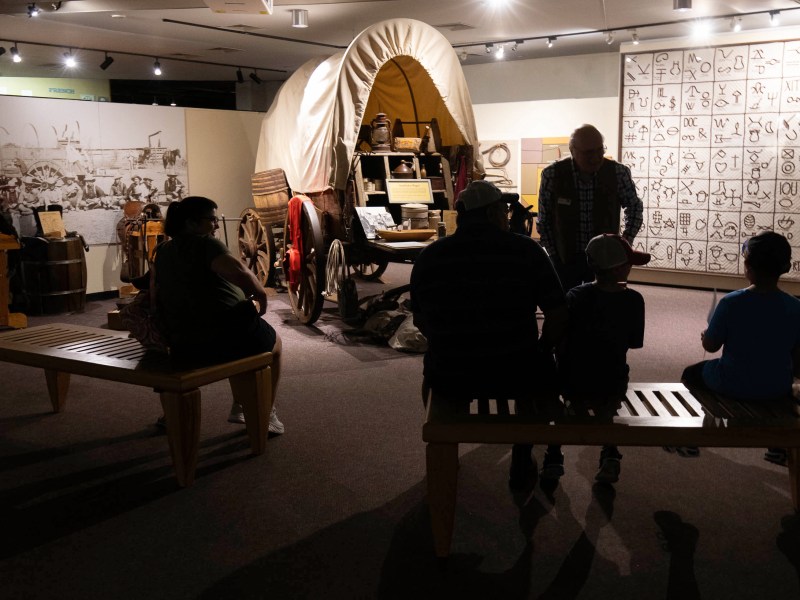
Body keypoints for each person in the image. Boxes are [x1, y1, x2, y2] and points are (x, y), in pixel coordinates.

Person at [410, 179, 568, 490]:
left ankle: (447, 445)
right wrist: (541, 348)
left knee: (434, 367)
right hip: (516, 370)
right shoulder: (527, 251)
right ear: (495, 213)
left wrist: (451, 343)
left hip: (452, 374)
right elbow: (559, 314)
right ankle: (525, 446)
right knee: (542, 369)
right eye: (505, 211)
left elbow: (420, 320)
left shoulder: (431, 256)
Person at [151, 196, 284, 433]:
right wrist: (261, 297)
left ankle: (239, 405)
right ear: (191, 223)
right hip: (219, 336)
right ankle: (265, 411)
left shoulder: (162, 251)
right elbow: (243, 275)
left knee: (242, 333)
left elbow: (155, 295)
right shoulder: (206, 245)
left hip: (183, 338)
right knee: (273, 345)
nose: (214, 225)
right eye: (211, 220)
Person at [680, 231, 800, 464]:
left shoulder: (731, 302)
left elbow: (711, 346)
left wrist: (706, 336)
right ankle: (776, 447)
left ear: (748, 267)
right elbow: (798, 362)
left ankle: (692, 437)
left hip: (731, 382)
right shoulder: (795, 307)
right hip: (776, 386)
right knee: (780, 381)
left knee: (691, 374)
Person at [554, 233, 651, 484]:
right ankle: (610, 453)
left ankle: (553, 454)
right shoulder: (633, 300)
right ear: (619, 269)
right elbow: (632, 343)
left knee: (565, 400)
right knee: (608, 402)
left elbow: (560, 338)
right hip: (611, 380)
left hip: (571, 379)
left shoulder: (575, 295)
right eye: (628, 262)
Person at [537, 124, 644, 292]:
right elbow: (544, 220)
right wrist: (553, 255)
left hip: (606, 259)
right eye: (588, 153)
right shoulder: (552, 175)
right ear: (572, 151)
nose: (595, 157)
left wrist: (624, 242)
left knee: (604, 309)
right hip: (565, 259)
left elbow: (635, 207)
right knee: (568, 309)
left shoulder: (618, 172)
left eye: (599, 150)